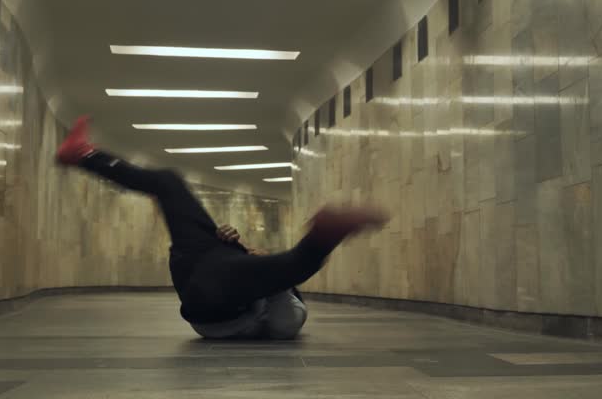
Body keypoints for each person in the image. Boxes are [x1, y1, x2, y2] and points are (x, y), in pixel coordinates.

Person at [56, 116, 388, 340]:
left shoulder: (284, 316)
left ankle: (323, 236)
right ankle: (84, 154)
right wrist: (242, 244)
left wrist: (267, 277)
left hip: (214, 302)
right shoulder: (269, 280)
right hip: (211, 252)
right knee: (168, 181)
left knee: (284, 267)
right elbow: (275, 275)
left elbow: (286, 318)